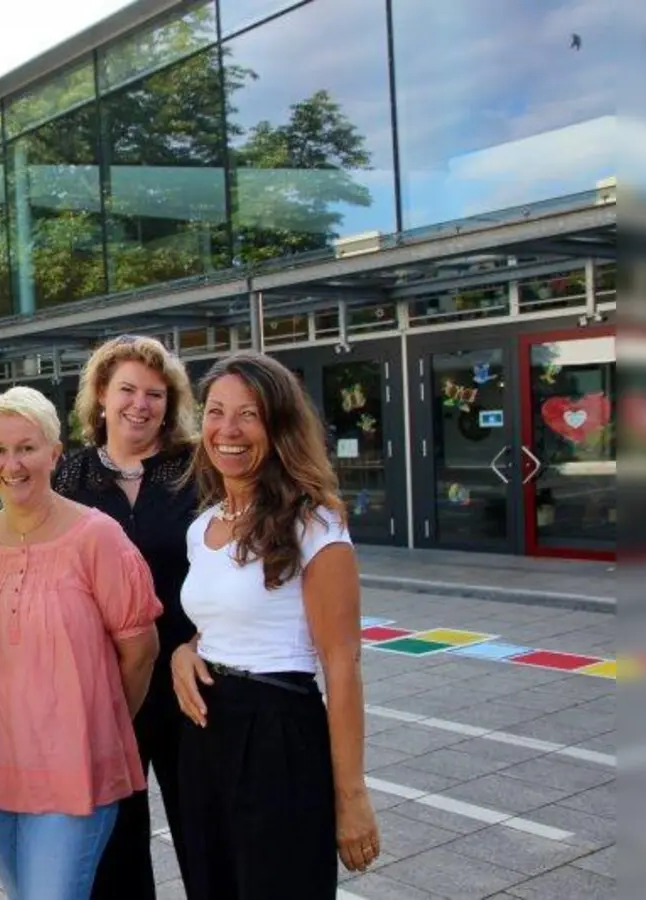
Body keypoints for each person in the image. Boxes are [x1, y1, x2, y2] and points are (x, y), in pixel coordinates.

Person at [170, 351, 380, 899]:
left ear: (280, 426)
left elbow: (342, 664)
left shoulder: (314, 523)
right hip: (204, 736)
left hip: (279, 733)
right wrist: (184, 651)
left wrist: (351, 797)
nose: (228, 430)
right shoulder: (202, 528)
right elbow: (222, 618)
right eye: (216, 412)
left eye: (249, 415)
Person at [0, 385, 162, 900]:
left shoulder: (98, 538)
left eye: (27, 447)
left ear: (54, 453)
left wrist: (99, 727)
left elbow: (140, 652)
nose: (13, 464)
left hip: (74, 773)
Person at [52, 334, 198, 899]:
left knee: (203, 831)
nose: (141, 404)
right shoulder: (68, 476)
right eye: (127, 390)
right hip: (106, 686)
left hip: (191, 681)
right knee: (117, 844)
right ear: (101, 397)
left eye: (155, 394)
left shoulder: (197, 469)